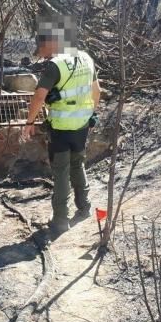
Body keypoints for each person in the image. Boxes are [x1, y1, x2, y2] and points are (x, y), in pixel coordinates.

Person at [22, 17, 101, 237]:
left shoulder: (56, 66)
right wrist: (88, 114)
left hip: (60, 128)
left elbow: (38, 97)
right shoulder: (86, 58)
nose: (43, 50)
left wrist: (29, 123)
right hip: (81, 125)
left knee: (61, 172)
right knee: (78, 164)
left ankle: (60, 221)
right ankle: (84, 207)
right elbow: (97, 92)